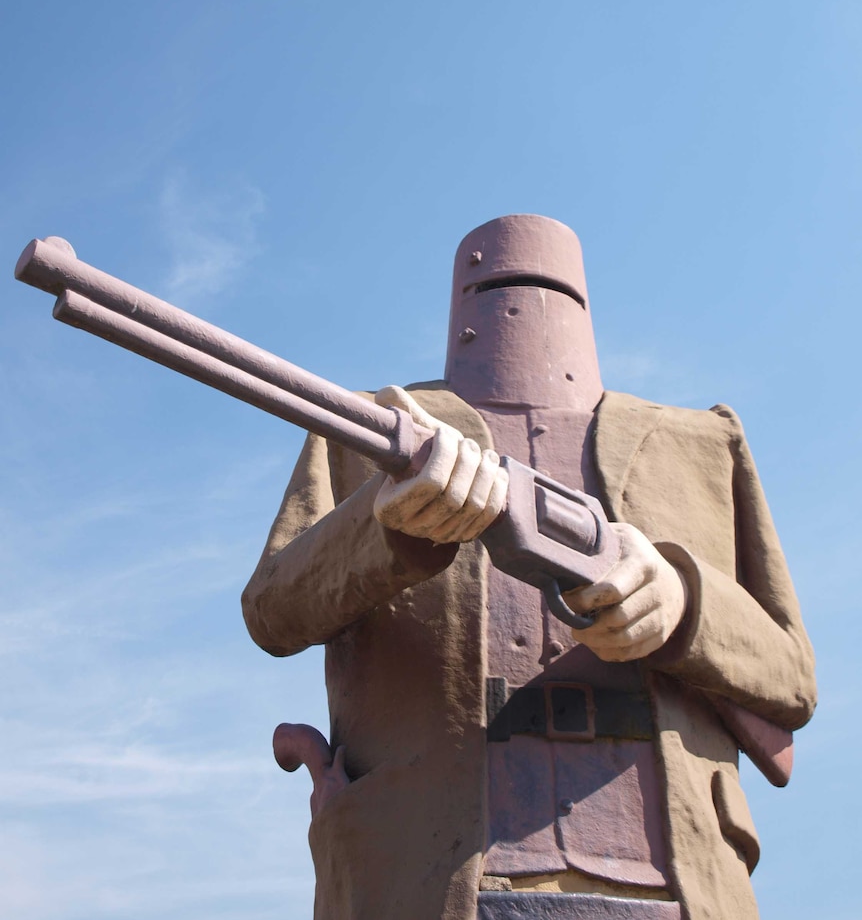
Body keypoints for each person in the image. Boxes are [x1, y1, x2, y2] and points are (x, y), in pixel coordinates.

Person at [242, 215, 815, 920]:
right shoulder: (371, 428)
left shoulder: (704, 443)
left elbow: (792, 677)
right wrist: (388, 526)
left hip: (681, 888)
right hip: (421, 875)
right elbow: (271, 608)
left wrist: (680, 601)